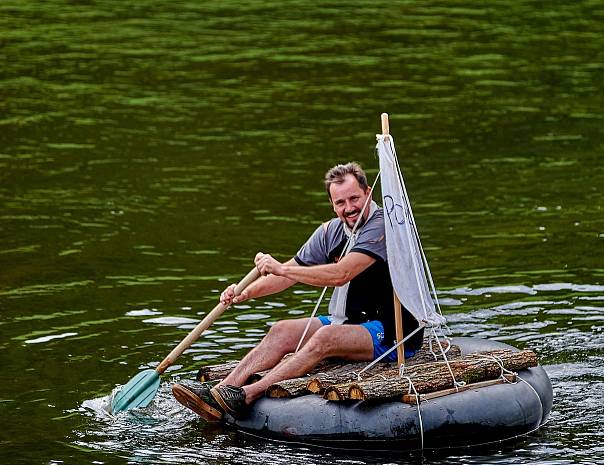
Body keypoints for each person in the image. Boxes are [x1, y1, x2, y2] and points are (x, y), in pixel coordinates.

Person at [172, 162, 423, 421]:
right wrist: (244, 292)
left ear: (368, 193)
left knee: (326, 337)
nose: (349, 208)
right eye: (340, 203)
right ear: (331, 204)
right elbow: (286, 276)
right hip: (349, 321)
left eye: (354, 199)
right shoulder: (330, 231)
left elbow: (341, 274)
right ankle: (221, 391)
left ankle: (248, 394)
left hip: (394, 331)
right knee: (282, 329)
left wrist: (281, 270)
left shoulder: (383, 227)